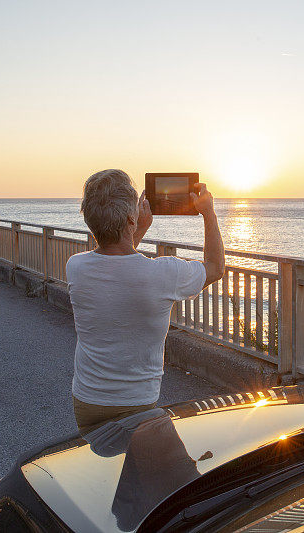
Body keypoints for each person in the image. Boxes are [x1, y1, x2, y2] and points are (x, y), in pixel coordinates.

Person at [66, 169, 224, 435]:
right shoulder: (164, 274)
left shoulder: (76, 266)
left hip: (87, 399)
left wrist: (137, 229)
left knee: (102, 468)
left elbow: (118, 263)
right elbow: (216, 267)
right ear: (131, 217)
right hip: (137, 402)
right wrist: (208, 212)